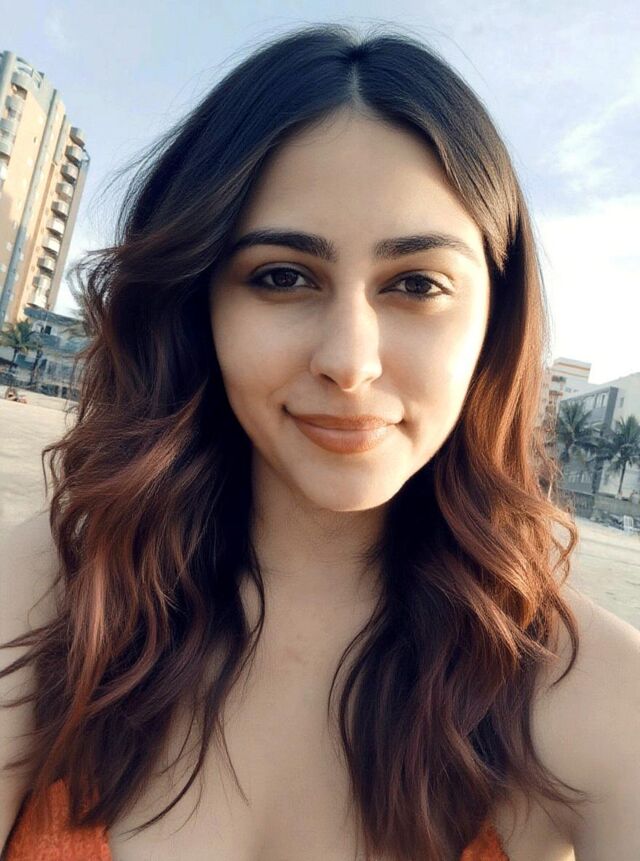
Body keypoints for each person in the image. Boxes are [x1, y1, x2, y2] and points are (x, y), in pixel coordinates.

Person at [1, 23, 639, 861]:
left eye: (416, 284)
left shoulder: (593, 695)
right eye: (282, 276)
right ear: (199, 304)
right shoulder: (53, 595)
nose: (349, 359)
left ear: (494, 319)